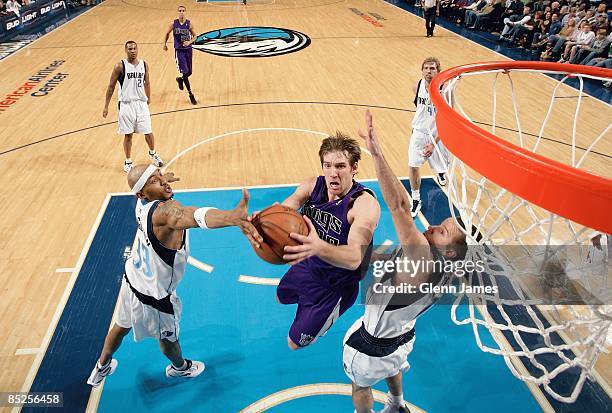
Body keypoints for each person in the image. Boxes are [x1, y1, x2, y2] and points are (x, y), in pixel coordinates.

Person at [87, 165, 262, 387]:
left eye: (160, 176)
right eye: (154, 181)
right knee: (168, 339)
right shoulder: (164, 214)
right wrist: (231, 217)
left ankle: (101, 366)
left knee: (120, 326)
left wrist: (158, 181)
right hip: (154, 297)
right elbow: (190, 215)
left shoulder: (141, 206)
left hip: (131, 280)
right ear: (142, 193)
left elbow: (156, 196)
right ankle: (180, 367)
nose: (163, 181)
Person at [344, 110, 469, 413]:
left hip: (373, 341)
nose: (432, 227)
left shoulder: (424, 256)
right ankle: (397, 404)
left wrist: (376, 153)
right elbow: (401, 270)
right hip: (402, 336)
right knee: (394, 365)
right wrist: (367, 257)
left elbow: (400, 206)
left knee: (360, 387)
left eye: (441, 232)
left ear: (448, 251)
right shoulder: (444, 268)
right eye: (440, 223)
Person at [262, 133, 381, 350]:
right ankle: (307, 309)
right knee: (281, 297)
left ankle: (323, 320)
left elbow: (356, 257)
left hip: (334, 287)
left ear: (354, 168)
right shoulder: (312, 186)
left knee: (293, 344)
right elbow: (290, 206)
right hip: (309, 266)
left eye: (340, 166)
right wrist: (265, 222)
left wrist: (318, 246)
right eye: (327, 165)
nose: (333, 173)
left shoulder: (363, 205)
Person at [103, 41, 163, 173]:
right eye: (130, 49)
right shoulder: (120, 66)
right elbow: (111, 86)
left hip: (141, 103)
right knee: (128, 135)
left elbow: (147, 82)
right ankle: (128, 161)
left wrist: (148, 97)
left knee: (148, 131)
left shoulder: (144, 64)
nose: (133, 51)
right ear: (126, 50)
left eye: (135, 48)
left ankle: (153, 153)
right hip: (126, 104)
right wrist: (106, 106)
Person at [409, 57, 449, 218]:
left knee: (440, 165)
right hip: (419, 133)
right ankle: (416, 199)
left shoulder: (445, 90)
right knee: (413, 165)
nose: (428, 71)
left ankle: (440, 172)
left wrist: (434, 144)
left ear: (438, 71)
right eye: (426, 68)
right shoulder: (417, 86)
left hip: (437, 135)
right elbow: (419, 107)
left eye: (432, 68)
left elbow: (447, 119)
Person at [163, 5, 197, 105]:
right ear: (177, 12)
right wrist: (164, 44)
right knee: (185, 72)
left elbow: (195, 36)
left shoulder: (189, 24)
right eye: (180, 11)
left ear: (185, 12)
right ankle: (191, 94)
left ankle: (180, 79)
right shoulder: (173, 24)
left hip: (188, 50)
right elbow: (167, 33)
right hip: (179, 51)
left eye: (183, 11)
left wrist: (189, 42)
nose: (181, 12)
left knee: (189, 72)